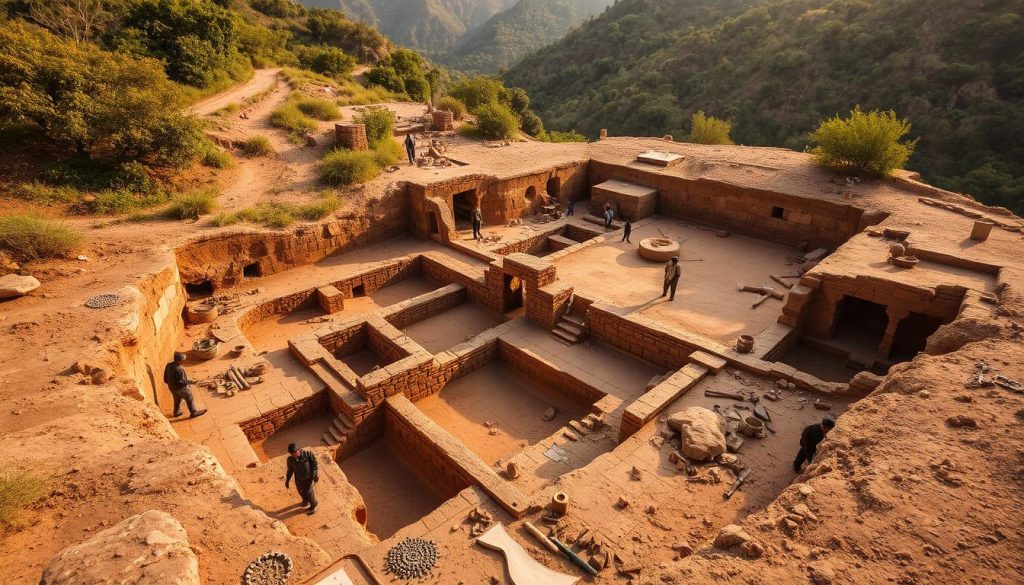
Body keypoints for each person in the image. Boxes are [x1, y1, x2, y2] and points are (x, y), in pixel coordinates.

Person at [162, 352, 207, 419]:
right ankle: (193, 412)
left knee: (177, 399)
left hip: (171, 387)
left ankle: (176, 412)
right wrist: (190, 382)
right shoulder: (179, 369)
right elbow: (181, 382)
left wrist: (170, 384)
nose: (184, 361)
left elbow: (165, 377)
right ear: (179, 361)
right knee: (189, 396)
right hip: (180, 388)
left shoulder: (169, 365)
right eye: (183, 360)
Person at [285, 443, 319, 514]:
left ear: (298, 449)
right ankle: (305, 501)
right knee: (300, 491)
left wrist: (315, 476)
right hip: (298, 478)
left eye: (295, 452)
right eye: (292, 453)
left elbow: (314, 465)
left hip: (308, 478)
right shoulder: (290, 460)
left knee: (308, 492)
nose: (294, 454)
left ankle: (314, 504)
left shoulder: (307, 454)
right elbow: (290, 470)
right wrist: (287, 481)